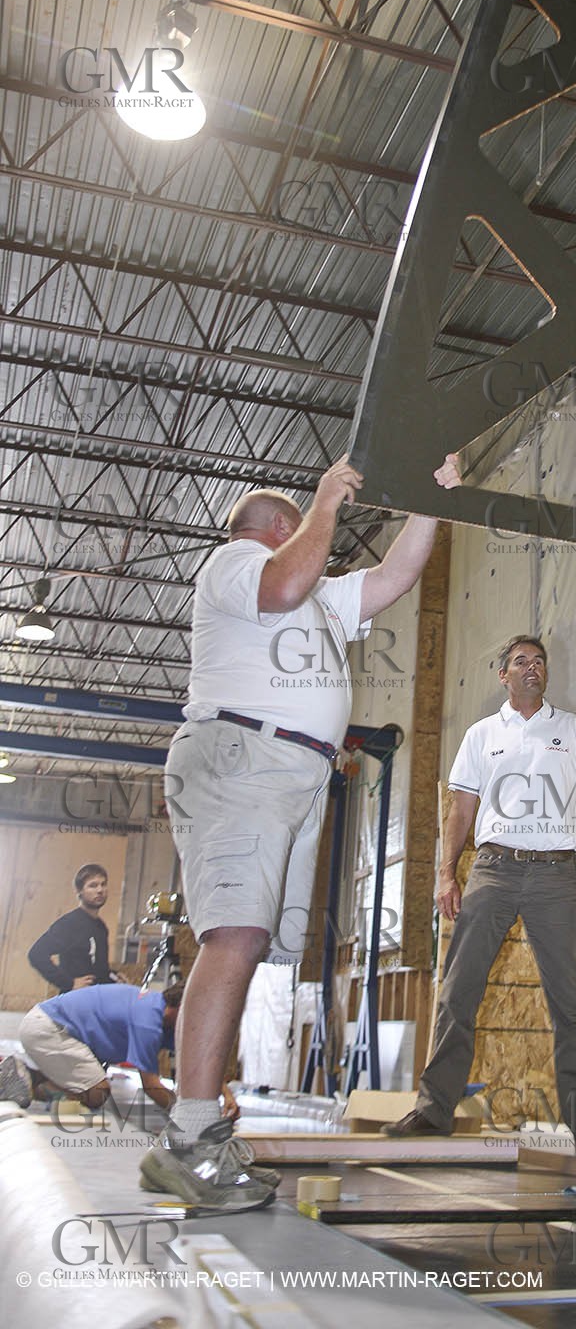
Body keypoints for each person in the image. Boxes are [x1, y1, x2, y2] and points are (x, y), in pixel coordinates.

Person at [139, 453, 461, 1211]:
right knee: (235, 935)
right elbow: (283, 583)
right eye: (302, 524)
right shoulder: (235, 564)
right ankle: (189, 1138)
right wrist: (326, 503)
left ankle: (202, 1136)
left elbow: (393, 577)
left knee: (251, 942)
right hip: (239, 755)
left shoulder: (321, 593)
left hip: (293, 771)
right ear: (280, 527)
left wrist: (430, 499)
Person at [386, 635, 576, 1160]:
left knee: (573, 1003)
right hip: (492, 869)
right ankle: (432, 1110)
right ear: (503, 675)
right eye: (521, 661)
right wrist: (447, 873)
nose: (533, 668)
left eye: (539, 661)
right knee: (458, 990)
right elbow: (460, 811)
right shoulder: (481, 735)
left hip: (556, 876)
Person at [2, 981, 185, 1114]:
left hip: (50, 1026)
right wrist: (191, 1116)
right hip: (49, 1029)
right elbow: (151, 1086)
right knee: (97, 1093)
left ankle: (24, 1078)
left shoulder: (159, 1011)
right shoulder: (148, 1022)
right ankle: (27, 1078)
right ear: (178, 1007)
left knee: (86, 1079)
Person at [27, 863, 115, 992]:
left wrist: (114, 977)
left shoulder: (100, 927)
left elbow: (99, 969)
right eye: (93, 885)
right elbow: (36, 954)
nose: (100, 890)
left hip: (95, 1000)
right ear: (80, 891)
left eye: (103, 884)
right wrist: (68, 983)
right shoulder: (69, 924)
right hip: (74, 1000)